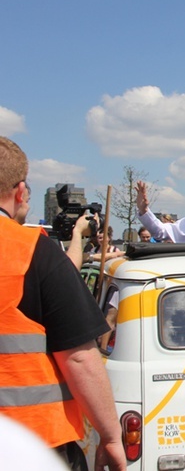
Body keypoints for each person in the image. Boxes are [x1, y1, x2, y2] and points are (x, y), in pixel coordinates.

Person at [0, 136, 126, 470]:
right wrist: (110, 437)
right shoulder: (30, 250)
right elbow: (81, 358)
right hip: (30, 442)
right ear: (21, 191)